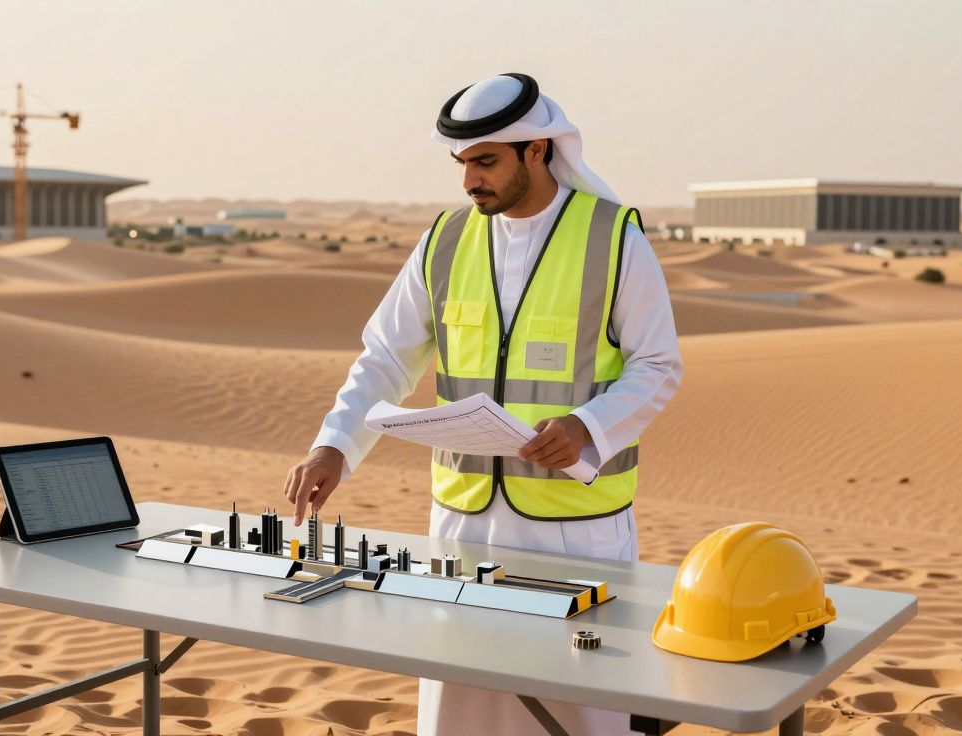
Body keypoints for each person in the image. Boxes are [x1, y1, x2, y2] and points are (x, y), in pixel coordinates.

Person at [284, 72, 683, 735]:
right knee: (461, 705)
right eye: (463, 163)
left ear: (537, 151)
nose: (470, 180)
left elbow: (658, 366)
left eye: (486, 161)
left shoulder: (614, 240)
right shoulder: (444, 241)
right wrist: (334, 444)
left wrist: (589, 426)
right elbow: (386, 356)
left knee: (578, 708)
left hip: (575, 528)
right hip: (463, 523)